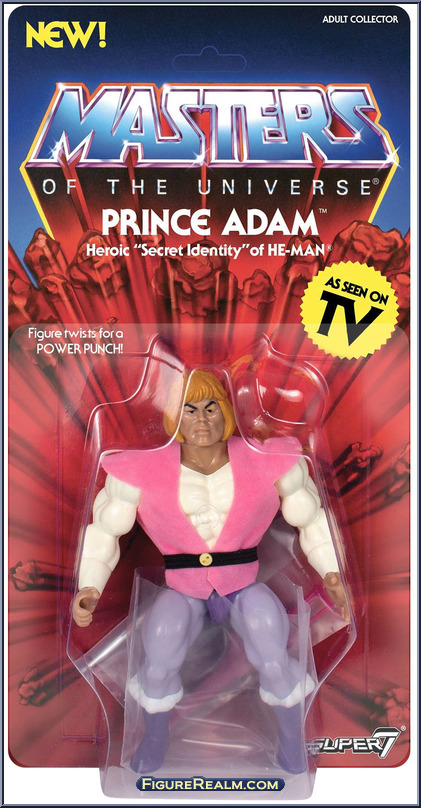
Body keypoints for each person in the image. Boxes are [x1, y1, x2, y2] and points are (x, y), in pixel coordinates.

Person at [73, 370, 348, 775]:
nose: (201, 419)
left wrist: (332, 573)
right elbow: (104, 530)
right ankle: (155, 736)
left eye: (210, 408)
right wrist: (89, 587)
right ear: (173, 416)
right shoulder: (140, 469)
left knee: (272, 648)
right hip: (182, 587)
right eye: (189, 410)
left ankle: (292, 738)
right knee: (159, 649)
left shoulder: (269, 459)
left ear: (227, 410)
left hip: (243, 583)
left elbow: (310, 517)